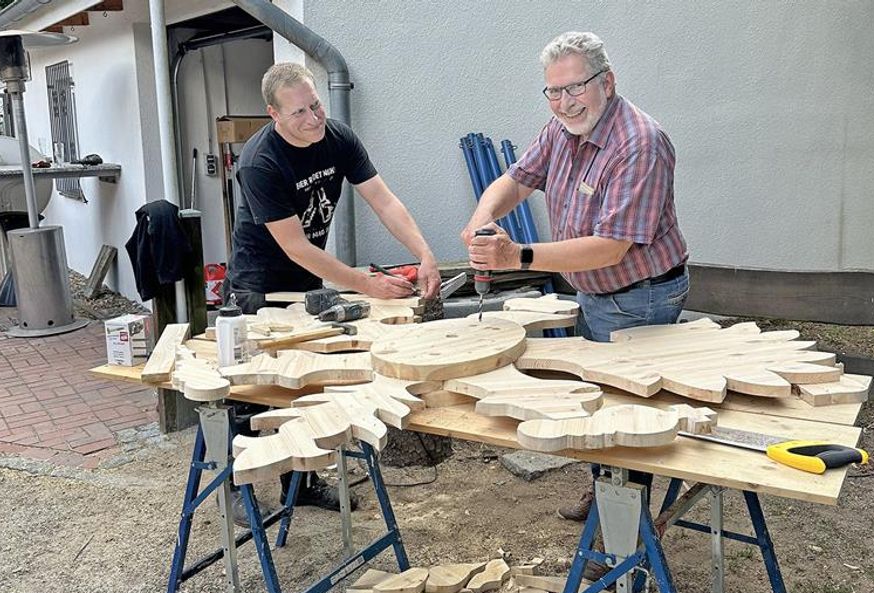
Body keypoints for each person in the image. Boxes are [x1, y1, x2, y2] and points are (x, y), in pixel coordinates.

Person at [462, 32, 690, 527]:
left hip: (641, 296)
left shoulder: (640, 144)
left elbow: (611, 246)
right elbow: (518, 179)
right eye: (553, 91)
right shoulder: (561, 129)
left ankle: (622, 537)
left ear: (606, 82)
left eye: (575, 88)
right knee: (598, 405)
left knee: (626, 415)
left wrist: (516, 255)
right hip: (597, 292)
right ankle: (607, 493)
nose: (564, 103)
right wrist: (483, 219)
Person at [224, 62, 440, 522]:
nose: (314, 119)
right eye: (299, 112)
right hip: (258, 282)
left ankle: (299, 482)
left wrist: (424, 252)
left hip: (306, 278)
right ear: (273, 115)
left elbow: (383, 199)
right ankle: (236, 485)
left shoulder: (338, 138)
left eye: (316, 105)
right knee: (253, 388)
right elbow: (295, 246)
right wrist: (364, 284)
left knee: (304, 380)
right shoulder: (260, 162)